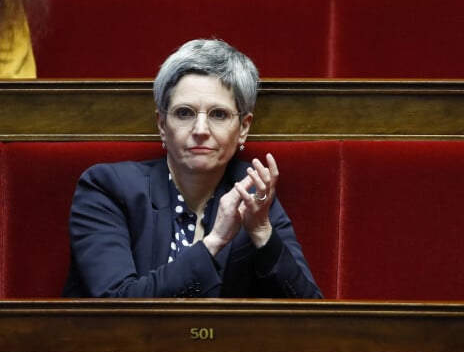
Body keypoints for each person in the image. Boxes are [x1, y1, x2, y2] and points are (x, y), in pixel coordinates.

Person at [62, 39, 322, 298]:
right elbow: (115, 306)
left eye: (218, 114)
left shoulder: (252, 191)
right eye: (185, 113)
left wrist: (262, 232)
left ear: (243, 128)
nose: (200, 130)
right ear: (162, 124)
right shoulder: (107, 188)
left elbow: (310, 313)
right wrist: (214, 242)